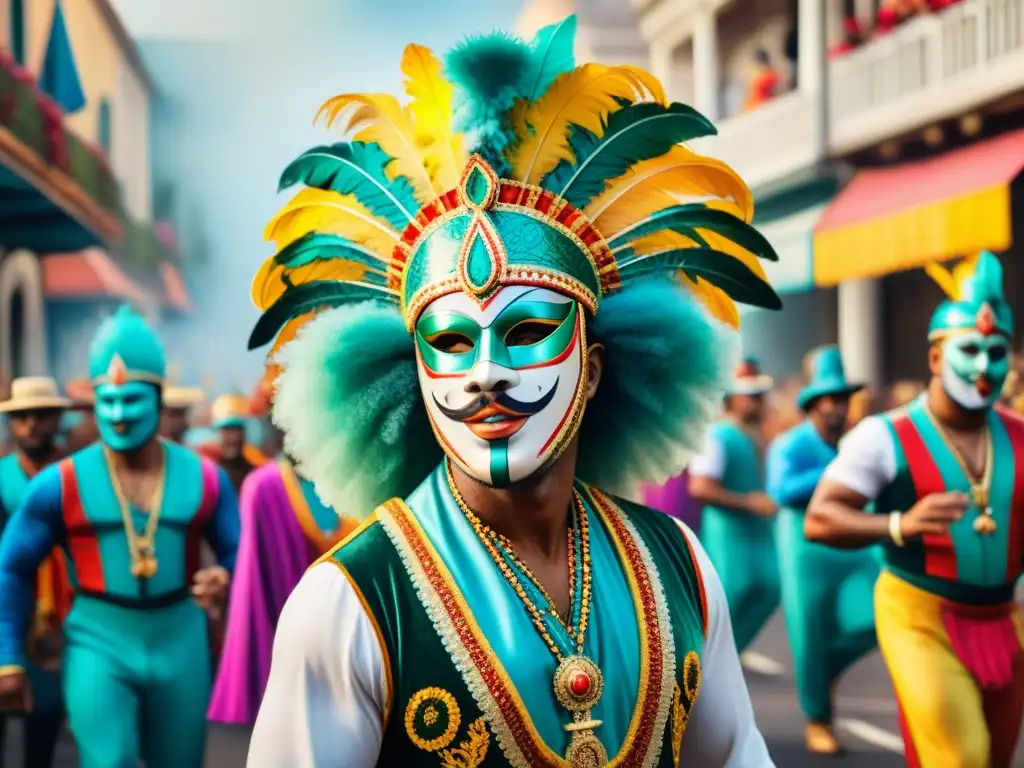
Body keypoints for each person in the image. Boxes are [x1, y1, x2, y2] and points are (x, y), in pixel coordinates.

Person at [245, 15, 782, 766]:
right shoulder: (351, 603)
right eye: (453, 342)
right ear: (413, 375)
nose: (486, 372)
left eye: (527, 332)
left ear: (593, 371)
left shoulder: (679, 565)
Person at [806, 252, 1024, 767]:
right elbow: (820, 518)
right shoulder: (883, 436)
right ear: (934, 358)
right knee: (961, 758)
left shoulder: (1018, 435)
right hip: (920, 614)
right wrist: (899, 523)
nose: (983, 366)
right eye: (968, 349)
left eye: (997, 352)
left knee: (995, 759)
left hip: (1003, 616)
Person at [0, 305, 241, 768]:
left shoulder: (205, 478)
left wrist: (224, 575)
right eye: (106, 402)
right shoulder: (60, 482)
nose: (119, 414)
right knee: (108, 760)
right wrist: (9, 656)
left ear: (157, 399)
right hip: (98, 637)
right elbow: (12, 564)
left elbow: (241, 552)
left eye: (131, 400)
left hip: (181, 636)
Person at [766, 346, 878, 756]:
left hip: (850, 542)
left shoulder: (855, 443)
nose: (839, 408)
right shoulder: (790, 445)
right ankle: (819, 719)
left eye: (844, 399)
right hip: (804, 546)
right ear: (813, 405)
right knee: (809, 630)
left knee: (881, 605)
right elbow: (781, 491)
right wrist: (837, 469)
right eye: (831, 400)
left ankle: (828, 667)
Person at [209, 449, 358, 726]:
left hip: (358, 640)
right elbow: (256, 580)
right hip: (297, 643)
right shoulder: (266, 487)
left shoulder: (366, 476)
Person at [0, 378, 74, 768]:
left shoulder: (77, 476)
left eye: (41, 415)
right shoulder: (1, 477)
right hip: (9, 607)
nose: (30, 424)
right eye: (20, 417)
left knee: (44, 725)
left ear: (58, 418)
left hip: (65, 610)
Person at [689, 358, 780, 653]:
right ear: (733, 397)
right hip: (729, 538)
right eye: (751, 396)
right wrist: (747, 502)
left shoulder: (753, 435)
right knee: (727, 600)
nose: (759, 402)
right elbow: (700, 486)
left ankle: (725, 656)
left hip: (756, 537)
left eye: (759, 396)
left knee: (769, 588)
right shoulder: (717, 435)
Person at [199, 393, 267, 492]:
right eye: (227, 430)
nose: (233, 437)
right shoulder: (206, 471)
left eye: (237, 430)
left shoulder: (256, 471)